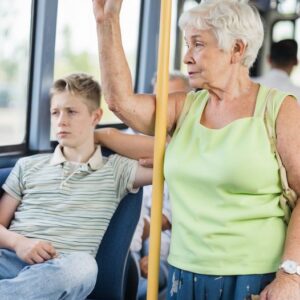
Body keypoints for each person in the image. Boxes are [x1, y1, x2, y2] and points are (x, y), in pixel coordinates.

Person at [93, 0, 300, 299]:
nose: (187, 56)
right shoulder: (183, 106)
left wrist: (291, 276)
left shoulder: (280, 109)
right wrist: (106, 21)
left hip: (257, 275)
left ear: (237, 49)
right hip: (185, 271)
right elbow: (120, 103)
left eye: (198, 44)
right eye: (187, 44)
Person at [0, 73, 152, 300]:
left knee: (85, 267)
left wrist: (104, 135)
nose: (61, 121)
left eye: (71, 112)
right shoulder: (27, 165)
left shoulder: (117, 170)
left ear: (95, 116)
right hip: (11, 259)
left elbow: (173, 154)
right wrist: (20, 243)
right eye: (55, 112)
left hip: (62, 271)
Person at [95, 71, 189, 299]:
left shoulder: (189, 147)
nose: (168, 107)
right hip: (129, 239)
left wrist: (151, 234)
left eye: (175, 99)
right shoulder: (123, 143)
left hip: (170, 245)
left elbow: (177, 216)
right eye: (160, 99)